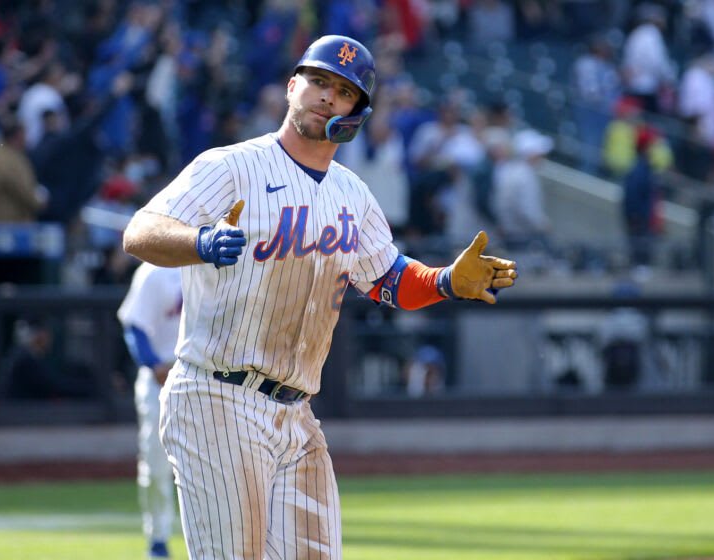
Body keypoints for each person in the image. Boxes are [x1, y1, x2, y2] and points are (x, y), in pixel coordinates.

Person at [122, 34, 518, 559]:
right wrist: (199, 241)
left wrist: (444, 281)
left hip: (296, 412)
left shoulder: (352, 194)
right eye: (319, 81)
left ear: (357, 110)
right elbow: (140, 231)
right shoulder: (232, 166)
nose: (328, 96)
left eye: (345, 91)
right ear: (293, 86)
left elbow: (388, 279)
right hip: (217, 397)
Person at [117, 262, 182, 559]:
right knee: (156, 463)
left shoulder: (214, 261)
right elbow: (135, 325)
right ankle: (158, 538)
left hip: (203, 379)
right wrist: (153, 364)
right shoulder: (154, 270)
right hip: (160, 380)